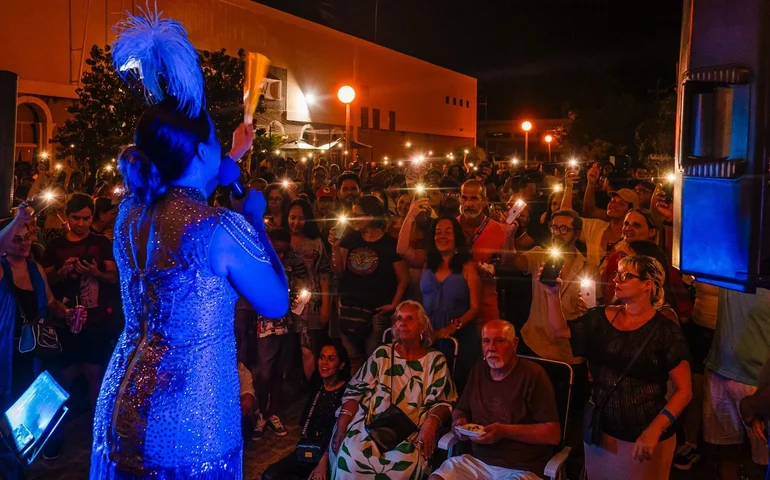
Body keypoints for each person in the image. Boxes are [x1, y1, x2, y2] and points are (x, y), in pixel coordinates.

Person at [90, 11, 289, 476]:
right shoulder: (220, 228)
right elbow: (276, 302)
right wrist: (255, 223)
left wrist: (232, 157)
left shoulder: (128, 215)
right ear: (200, 152)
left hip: (120, 404)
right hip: (187, 421)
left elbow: (178, 202)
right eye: (216, 142)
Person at [543, 255, 692, 479]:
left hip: (644, 436)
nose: (617, 279)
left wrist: (654, 430)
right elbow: (560, 331)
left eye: (625, 275)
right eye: (617, 274)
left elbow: (684, 391)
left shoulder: (665, 331)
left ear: (647, 284)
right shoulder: (602, 317)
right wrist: (552, 294)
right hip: (602, 430)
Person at [329, 301, 457, 479]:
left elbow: (444, 401)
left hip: (411, 433)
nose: (402, 323)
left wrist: (432, 421)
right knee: (350, 460)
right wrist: (342, 425)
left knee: (402, 470)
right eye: (399, 318)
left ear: (422, 326)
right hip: (371, 427)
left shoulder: (435, 361)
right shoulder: (382, 354)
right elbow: (354, 391)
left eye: (409, 318)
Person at [429, 320, 560, 480]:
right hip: (476, 462)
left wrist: (504, 431)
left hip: (521, 468)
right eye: (486, 341)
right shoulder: (478, 370)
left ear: (514, 343)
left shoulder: (533, 375)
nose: (492, 347)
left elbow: (552, 434)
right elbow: (461, 409)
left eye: (499, 341)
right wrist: (459, 422)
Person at [42, 193, 118, 412]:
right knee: (64, 374)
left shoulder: (101, 242)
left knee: (94, 372)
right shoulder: (55, 246)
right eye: (76, 218)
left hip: (95, 321)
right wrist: (62, 272)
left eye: (86, 218)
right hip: (65, 320)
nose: (81, 223)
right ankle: (59, 426)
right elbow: (45, 281)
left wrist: (96, 273)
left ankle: (93, 426)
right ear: (68, 217)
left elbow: (113, 277)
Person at [0, 212, 72, 410]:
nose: (24, 243)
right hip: (9, 349)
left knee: (37, 405)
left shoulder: (35, 268)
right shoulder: (2, 269)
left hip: (37, 347)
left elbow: (50, 303)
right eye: (16, 239)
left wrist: (67, 313)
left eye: (27, 238)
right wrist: (17, 220)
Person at [329, 195, 409, 372]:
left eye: (358, 215)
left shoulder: (389, 244)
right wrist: (335, 248)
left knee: (374, 360)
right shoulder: (350, 239)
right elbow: (338, 270)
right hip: (349, 310)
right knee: (353, 358)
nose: (353, 219)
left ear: (371, 217)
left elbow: (403, 278)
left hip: (375, 313)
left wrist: (394, 304)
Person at [703, 288, 770, 480]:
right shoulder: (732, 270)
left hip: (758, 383)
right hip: (720, 370)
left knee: (763, 462)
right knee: (726, 451)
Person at [262, 339, 351, 480]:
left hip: (330, 455)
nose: (324, 363)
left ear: (341, 365)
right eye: (322, 357)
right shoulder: (317, 385)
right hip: (308, 449)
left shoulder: (347, 393)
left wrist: (323, 462)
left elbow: (341, 436)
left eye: (331, 359)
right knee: (269, 475)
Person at [417, 214, 482, 391]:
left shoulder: (467, 266)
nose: (442, 236)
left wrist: (453, 326)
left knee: (456, 386)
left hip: (457, 338)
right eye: (438, 232)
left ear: (456, 236)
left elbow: (475, 307)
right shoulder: (428, 264)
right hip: (429, 336)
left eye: (448, 232)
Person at [284, 199, 331, 377]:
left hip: (311, 304)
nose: (296, 223)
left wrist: (326, 304)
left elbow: (324, 274)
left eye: (301, 219)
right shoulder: (280, 240)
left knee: (309, 347)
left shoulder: (316, 242)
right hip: (285, 304)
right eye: (292, 218)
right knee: (286, 349)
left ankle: (310, 385)